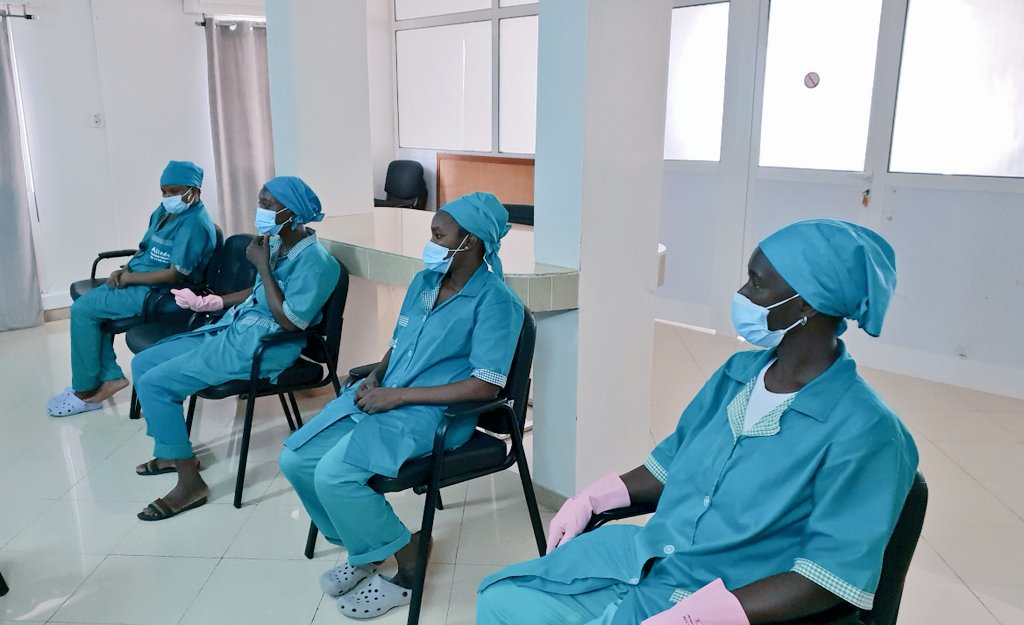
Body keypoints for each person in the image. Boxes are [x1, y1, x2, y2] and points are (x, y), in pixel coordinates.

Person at [476, 219, 919, 625]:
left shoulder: (867, 432)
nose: (743, 294)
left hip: (727, 599)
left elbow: (827, 577)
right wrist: (594, 499)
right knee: (500, 601)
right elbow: (668, 467)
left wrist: (703, 617)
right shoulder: (737, 376)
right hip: (651, 566)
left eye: (757, 284)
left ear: (807, 304)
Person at [279, 192, 524, 620]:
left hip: (435, 413)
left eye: (438, 233)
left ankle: (409, 560)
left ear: (471, 241)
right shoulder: (424, 284)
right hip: (387, 394)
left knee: (335, 476)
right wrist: (378, 374)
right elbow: (400, 343)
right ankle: (368, 547)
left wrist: (399, 395)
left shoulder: (496, 302)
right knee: (295, 460)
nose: (429, 241)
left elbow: (484, 387)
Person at [130, 176, 340, 522]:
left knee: (156, 383)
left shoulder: (317, 263)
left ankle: (190, 483)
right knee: (145, 363)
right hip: (233, 329)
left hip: (264, 346)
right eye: (261, 202)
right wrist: (210, 302)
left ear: (293, 213)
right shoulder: (274, 245)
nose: (261, 211)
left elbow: (290, 321)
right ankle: (172, 453)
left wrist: (262, 268)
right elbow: (255, 294)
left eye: (269, 205)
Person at [47, 160, 217, 417]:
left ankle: (85, 390)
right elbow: (145, 248)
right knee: (88, 310)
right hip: (138, 280)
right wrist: (124, 270)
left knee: (83, 310)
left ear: (194, 191)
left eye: (174, 191)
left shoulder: (195, 224)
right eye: (164, 191)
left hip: (162, 294)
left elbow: (174, 273)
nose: (167, 197)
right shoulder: (163, 213)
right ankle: (107, 379)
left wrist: (129, 280)